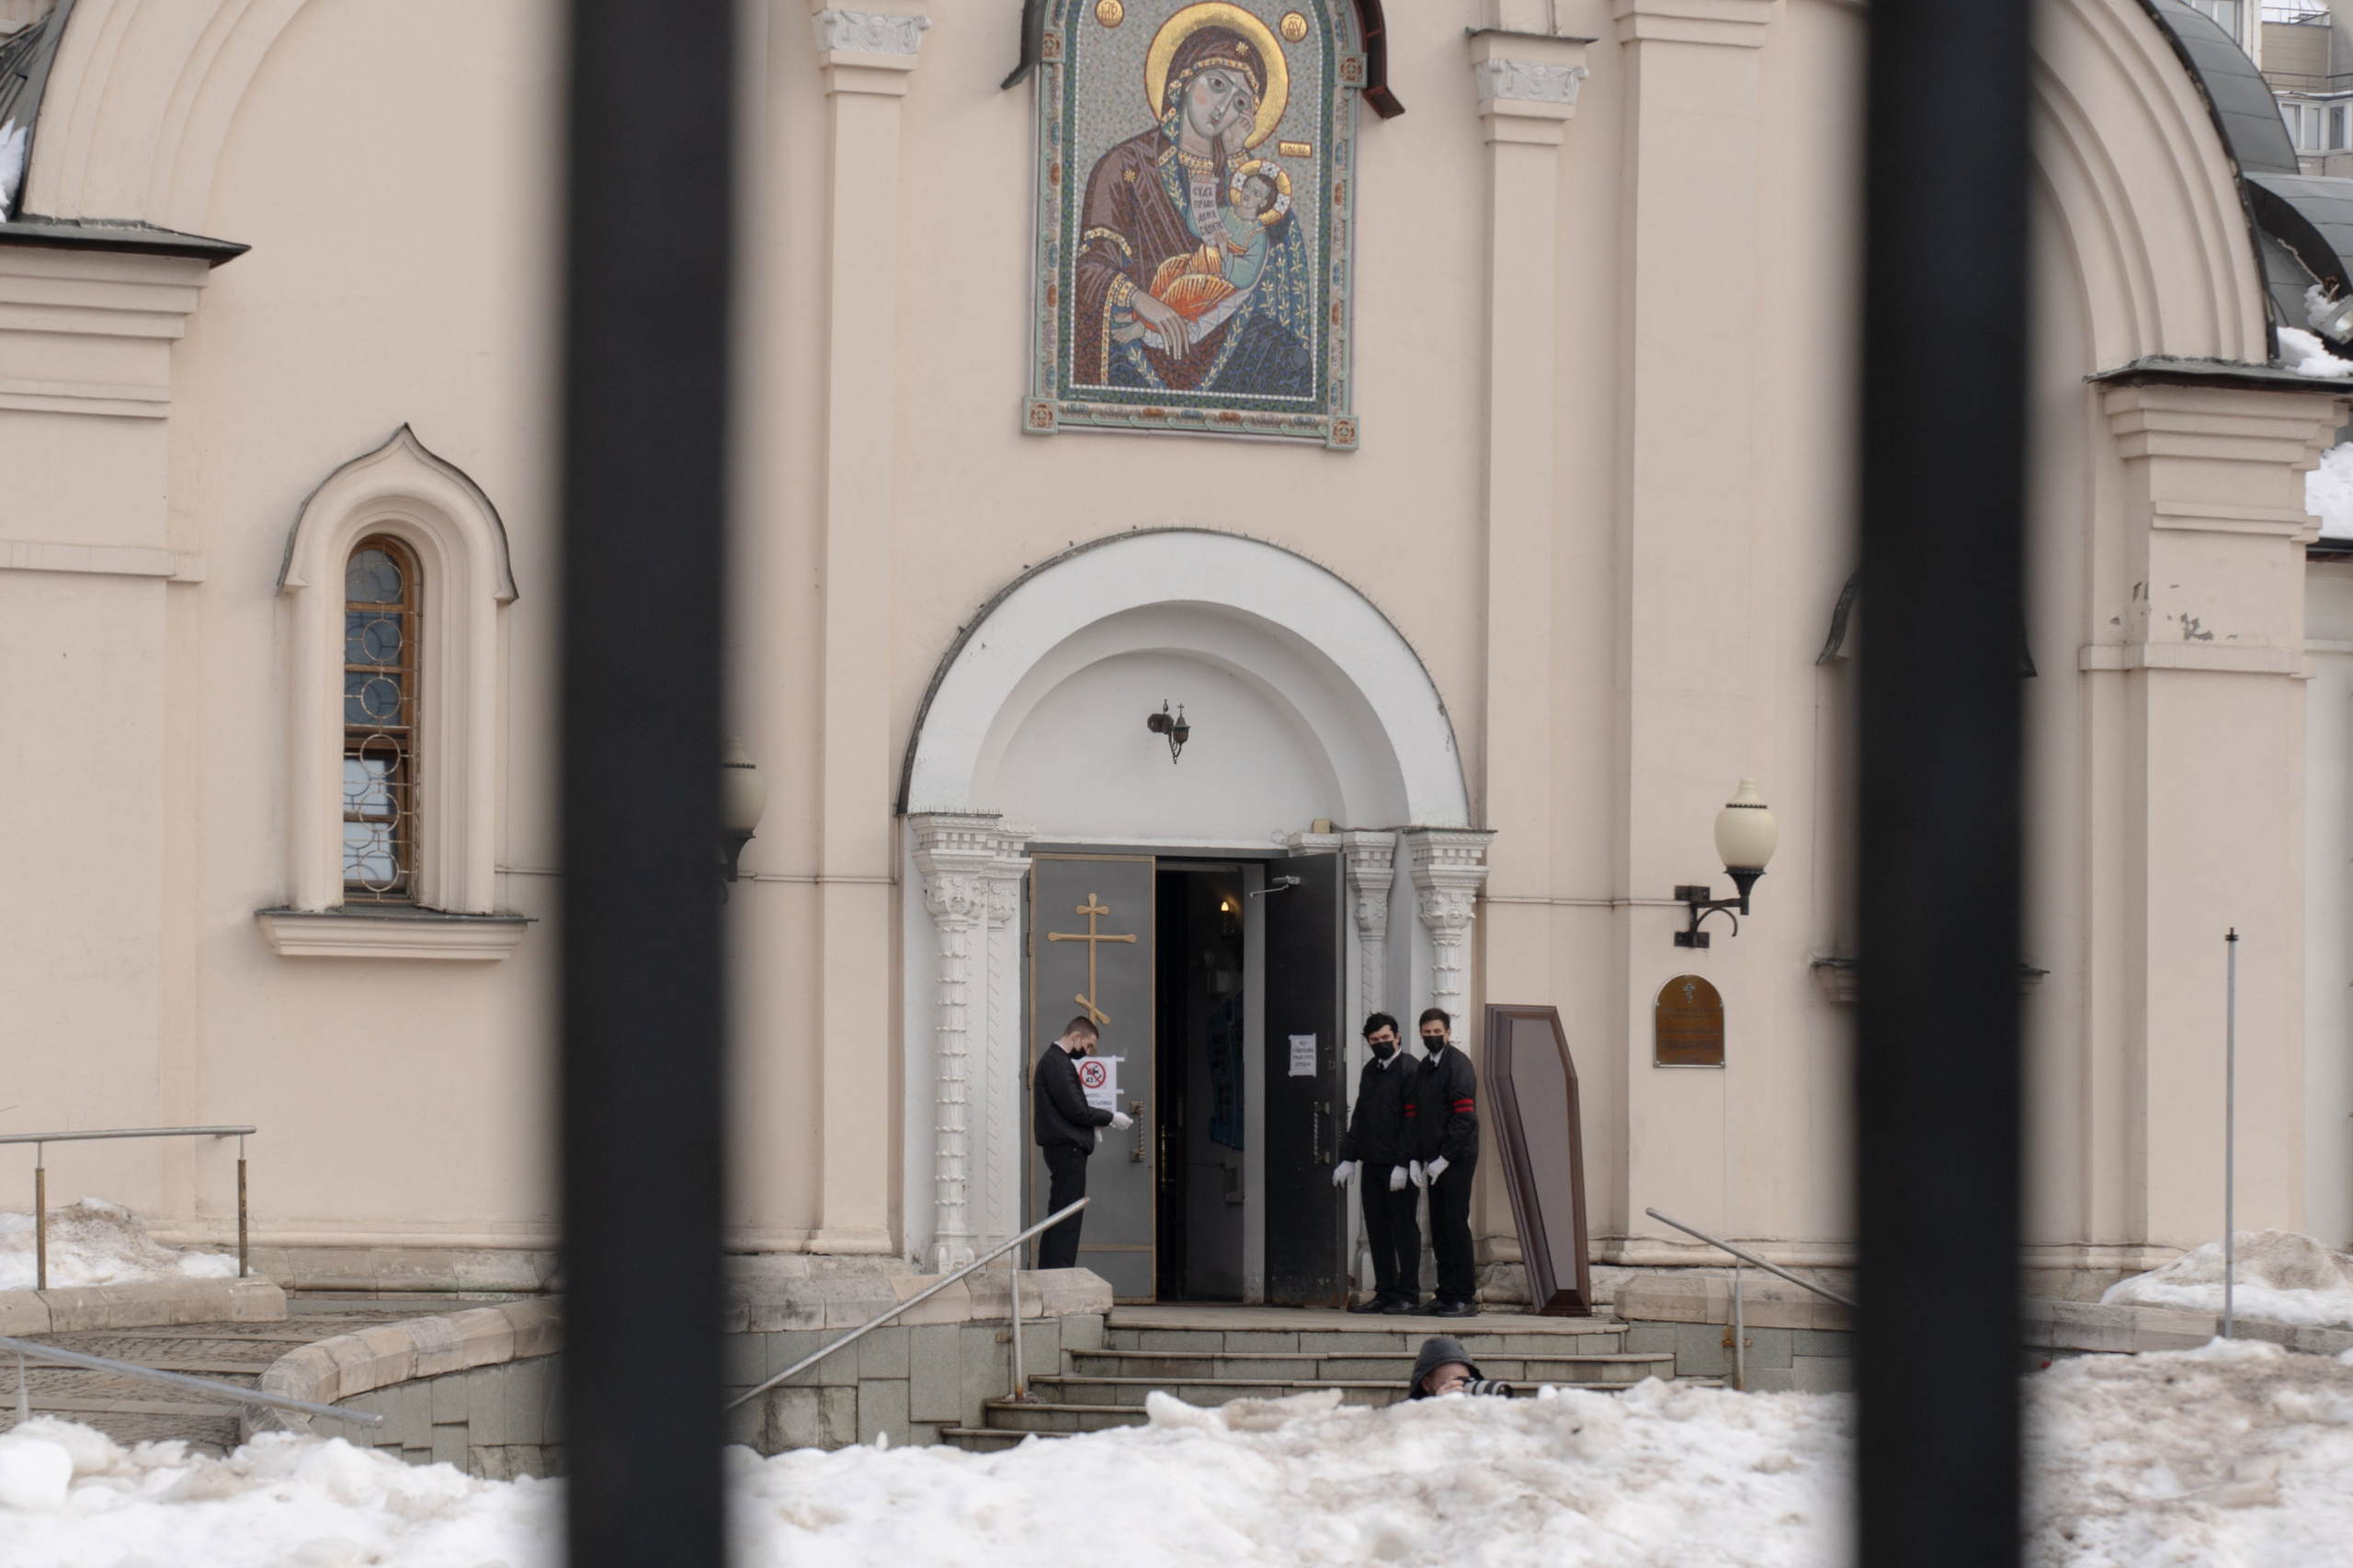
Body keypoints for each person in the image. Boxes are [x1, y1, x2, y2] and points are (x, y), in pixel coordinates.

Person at [1331, 1012, 1420, 1314]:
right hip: (1372, 1164)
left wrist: (1405, 1163)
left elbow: (1413, 1120)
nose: (1381, 1044)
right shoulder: (1371, 1070)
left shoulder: (1410, 1069)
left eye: (1385, 1038)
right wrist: (1349, 1156)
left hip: (1398, 1168)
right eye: (1374, 1040)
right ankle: (1385, 1292)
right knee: (1378, 1231)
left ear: (1397, 1037)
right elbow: (1360, 1114)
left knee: (1404, 1230)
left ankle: (1408, 1294)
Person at [1032, 1016, 1132, 1271]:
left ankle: (1049, 1273)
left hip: (1062, 1148)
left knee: (1059, 1215)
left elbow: (1070, 1109)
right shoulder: (1058, 1062)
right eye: (1088, 1045)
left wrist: (1094, 1124)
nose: (1087, 1052)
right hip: (1068, 1150)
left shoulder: (1054, 1061)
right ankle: (1060, 1275)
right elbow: (1076, 1110)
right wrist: (1110, 1118)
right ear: (1076, 1036)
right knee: (1068, 1218)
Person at [1407, 1008, 1481, 1317]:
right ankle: (1445, 1293)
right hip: (1433, 1159)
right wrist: (1415, 1156)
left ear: (1448, 1032)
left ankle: (1464, 1297)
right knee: (1438, 1228)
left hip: (1457, 1159)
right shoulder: (1425, 1067)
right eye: (1426, 1032)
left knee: (1455, 1225)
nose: (1432, 1037)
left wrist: (1445, 1157)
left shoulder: (1458, 1065)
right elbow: (1418, 1115)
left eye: (1437, 1032)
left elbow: (1464, 1118)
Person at [1404, 1335, 1511, 1400]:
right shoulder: (1406, 1414)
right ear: (1426, 1384)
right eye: (1450, 1383)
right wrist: (1436, 1405)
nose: (1459, 1387)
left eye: (1464, 1380)